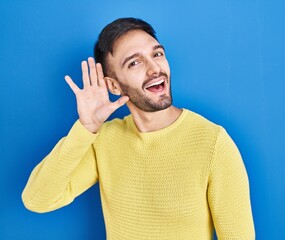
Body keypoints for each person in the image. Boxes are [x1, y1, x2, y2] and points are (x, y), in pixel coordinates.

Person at [22, 17, 255, 240]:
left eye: (157, 54)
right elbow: (37, 199)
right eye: (134, 62)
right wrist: (86, 128)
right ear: (113, 85)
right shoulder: (104, 139)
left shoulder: (213, 142)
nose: (154, 68)